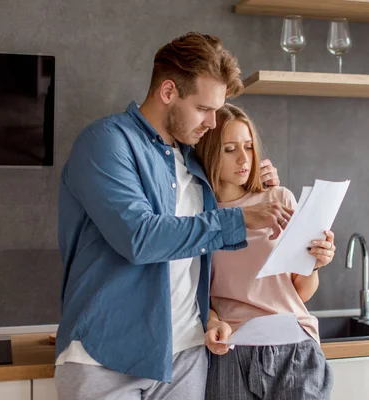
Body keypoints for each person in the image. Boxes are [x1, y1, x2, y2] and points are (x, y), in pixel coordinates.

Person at [54, 32, 292, 400]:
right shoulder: (105, 143)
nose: (212, 123)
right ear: (168, 92)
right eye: (203, 109)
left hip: (185, 356)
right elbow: (141, 238)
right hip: (104, 359)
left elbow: (198, 253)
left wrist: (257, 187)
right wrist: (240, 220)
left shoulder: (194, 162)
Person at [195, 103, 335, 400]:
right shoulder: (199, 218)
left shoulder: (279, 198)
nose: (244, 159)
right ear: (208, 152)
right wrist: (212, 321)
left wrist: (315, 263)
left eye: (248, 146)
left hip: (294, 348)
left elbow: (301, 292)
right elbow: (195, 291)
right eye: (229, 149)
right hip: (231, 350)